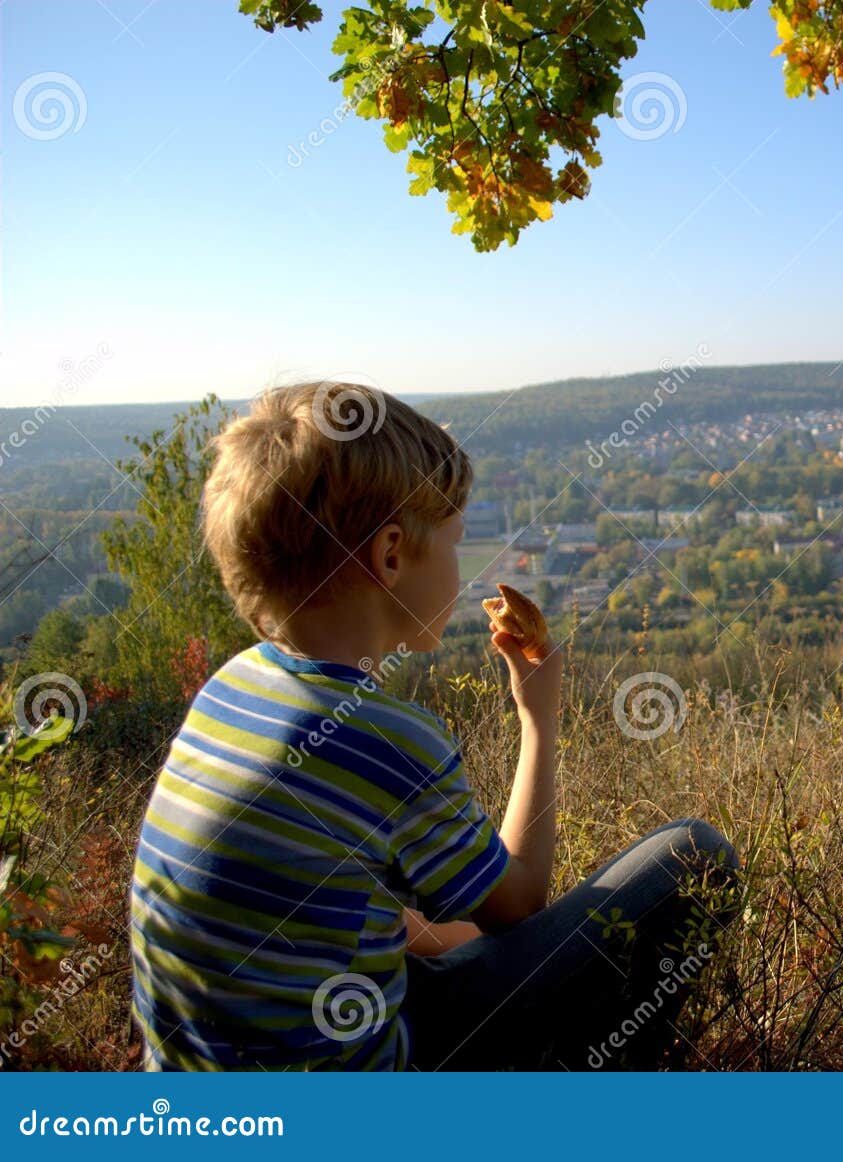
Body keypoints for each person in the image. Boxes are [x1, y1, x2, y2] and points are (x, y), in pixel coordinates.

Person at [127, 381, 737, 1070]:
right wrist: (538, 716)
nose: (465, 563)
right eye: (456, 540)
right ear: (390, 555)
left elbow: (371, 918)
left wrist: (477, 952)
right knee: (694, 855)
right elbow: (519, 902)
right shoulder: (386, 741)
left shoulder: (229, 690)